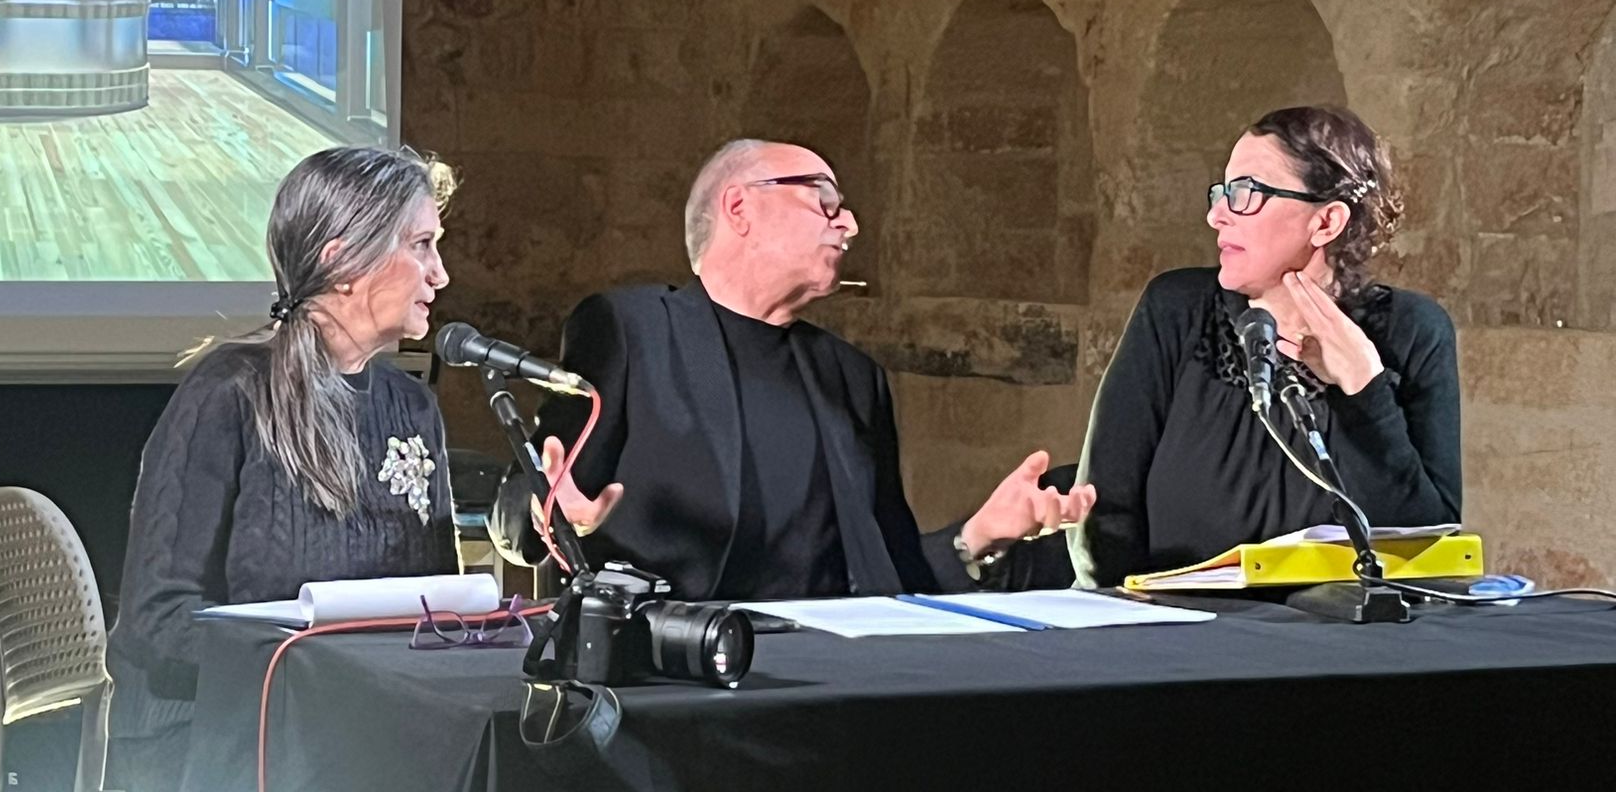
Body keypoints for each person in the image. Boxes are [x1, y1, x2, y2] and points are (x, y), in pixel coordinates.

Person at [489, 139, 1094, 601]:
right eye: (824, 199)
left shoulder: (853, 377)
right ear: (739, 207)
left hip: (832, 677)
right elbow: (519, 508)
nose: (849, 223)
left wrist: (978, 535)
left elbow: (890, 576)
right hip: (677, 670)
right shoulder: (633, 330)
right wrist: (547, 511)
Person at [105, 145, 457, 791]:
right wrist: (313, 674)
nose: (441, 275)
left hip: (369, 726)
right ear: (343, 262)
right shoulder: (229, 392)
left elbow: (436, 606)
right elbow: (160, 618)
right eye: (422, 246)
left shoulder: (412, 407)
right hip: (222, 733)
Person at [1070, 105, 1461, 589]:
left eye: (1246, 193)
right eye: (1222, 192)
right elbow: (1102, 511)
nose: (1216, 215)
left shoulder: (1413, 332)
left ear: (1326, 222)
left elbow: (1429, 549)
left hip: (1341, 631)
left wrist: (1365, 387)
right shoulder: (1177, 310)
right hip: (1172, 625)